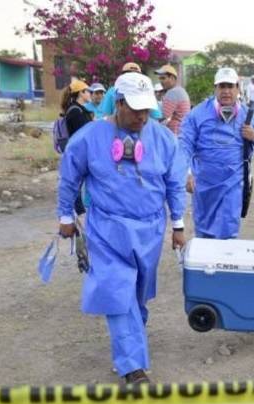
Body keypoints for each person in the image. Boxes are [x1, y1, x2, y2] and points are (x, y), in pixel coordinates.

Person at [57, 72, 187, 384]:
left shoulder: (164, 139)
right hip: (107, 230)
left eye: (147, 110)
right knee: (117, 291)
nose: (142, 117)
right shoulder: (89, 137)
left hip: (150, 229)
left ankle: (133, 334)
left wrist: (178, 224)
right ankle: (132, 367)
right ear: (118, 103)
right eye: (135, 109)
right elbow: (69, 177)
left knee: (138, 293)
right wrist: (65, 217)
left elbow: (175, 184)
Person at [179, 67, 254, 239]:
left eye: (230, 86)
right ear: (215, 88)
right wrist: (186, 172)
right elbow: (184, 145)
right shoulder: (198, 114)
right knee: (204, 231)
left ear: (238, 88)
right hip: (204, 185)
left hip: (233, 185)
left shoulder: (248, 115)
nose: (226, 91)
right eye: (222, 86)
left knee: (228, 232)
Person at [60, 79, 93, 215]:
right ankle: (78, 211)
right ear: (81, 93)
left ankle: (79, 209)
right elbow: (82, 133)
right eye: (88, 91)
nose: (90, 94)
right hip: (78, 152)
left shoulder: (78, 110)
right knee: (76, 182)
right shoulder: (75, 111)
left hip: (80, 151)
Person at [155, 64, 191, 135]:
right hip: (184, 130)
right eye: (160, 78)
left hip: (176, 132)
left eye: (163, 78)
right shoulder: (181, 90)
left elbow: (162, 116)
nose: (161, 81)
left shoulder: (172, 92)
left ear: (172, 78)